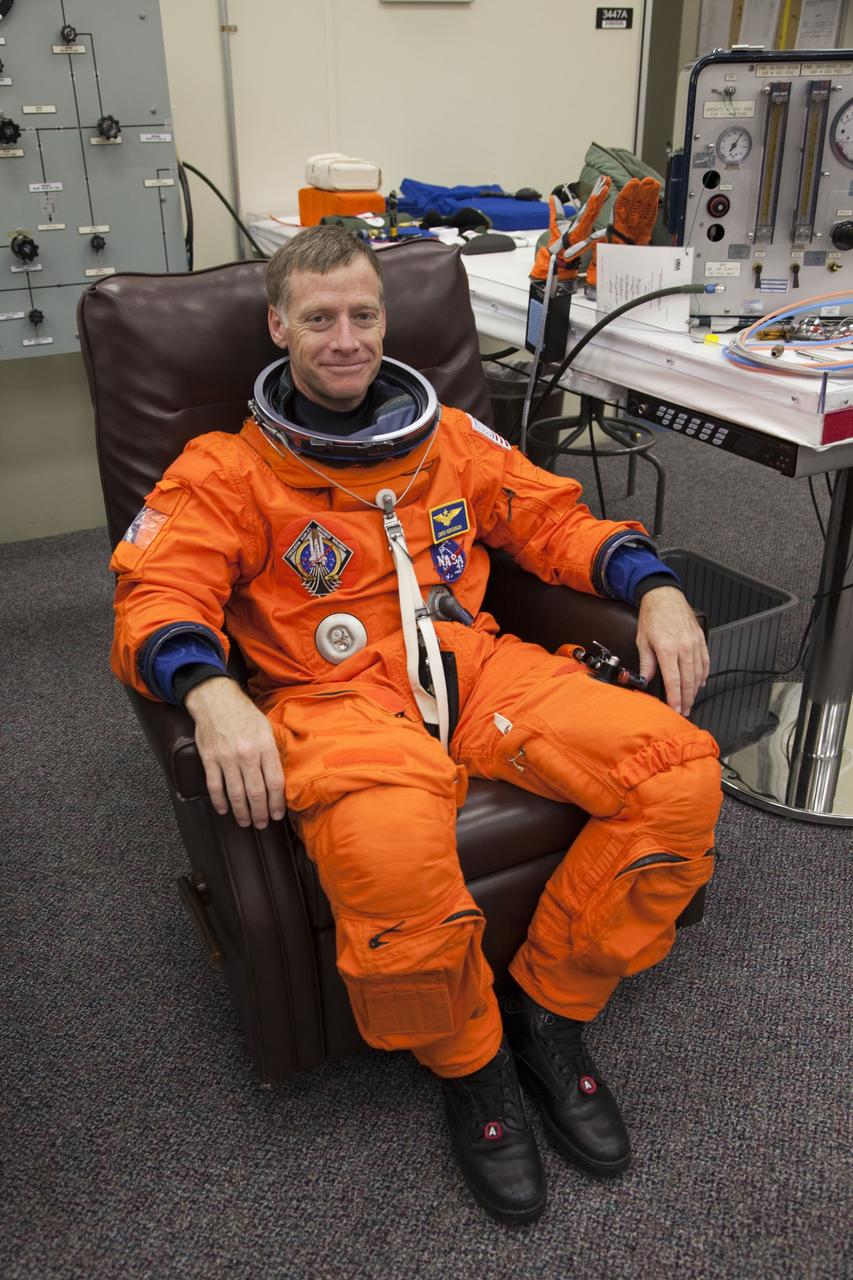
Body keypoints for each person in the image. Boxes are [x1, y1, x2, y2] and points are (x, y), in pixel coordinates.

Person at [110, 225, 721, 1226]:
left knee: (678, 775)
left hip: (469, 663)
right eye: (319, 318)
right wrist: (209, 689)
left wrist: (650, 583)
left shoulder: (450, 441)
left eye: (362, 314)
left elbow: (552, 520)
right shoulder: (224, 469)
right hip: (330, 696)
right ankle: (473, 1063)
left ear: (385, 320)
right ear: (279, 328)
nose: (345, 338)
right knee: (393, 858)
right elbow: (156, 589)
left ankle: (547, 1011)